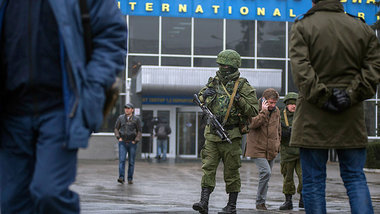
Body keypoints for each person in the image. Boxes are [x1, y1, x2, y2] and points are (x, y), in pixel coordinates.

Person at [0, 0, 126, 213]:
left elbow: (111, 36)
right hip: (11, 113)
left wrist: (93, 84)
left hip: (61, 110)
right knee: (11, 201)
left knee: (49, 191)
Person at [289, 0, 380, 213]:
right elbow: (374, 67)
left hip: (313, 114)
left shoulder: (303, 26)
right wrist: (349, 95)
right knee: (355, 177)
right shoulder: (360, 27)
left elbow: (301, 70)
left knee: (313, 182)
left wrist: (323, 96)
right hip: (350, 114)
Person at [192, 49, 259, 214]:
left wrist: (239, 100)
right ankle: (204, 202)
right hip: (212, 134)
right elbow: (200, 99)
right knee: (208, 168)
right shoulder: (213, 82)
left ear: (233, 66)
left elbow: (254, 110)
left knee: (232, 171)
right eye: (220, 64)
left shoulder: (243, 85)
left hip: (231, 135)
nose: (222, 68)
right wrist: (204, 96)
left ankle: (231, 206)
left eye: (225, 65)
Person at [245, 88, 281, 211]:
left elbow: (278, 129)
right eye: (271, 102)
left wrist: (278, 144)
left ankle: (262, 202)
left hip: (271, 148)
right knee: (266, 172)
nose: (273, 105)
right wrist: (264, 112)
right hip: (257, 148)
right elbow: (252, 124)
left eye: (275, 102)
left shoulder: (277, 111)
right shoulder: (254, 107)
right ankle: (260, 202)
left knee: (266, 176)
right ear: (264, 100)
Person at [279, 92, 303, 210]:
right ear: (287, 105)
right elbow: (275, 132)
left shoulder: (302, 116)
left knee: (303, 177)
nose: (293, 106)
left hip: (301, 153)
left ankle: (303, 199)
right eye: (291, 104)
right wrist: (283, 134)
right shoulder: (280, 116)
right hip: (287, 153)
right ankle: (288, 201)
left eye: (295, 104)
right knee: (288, 178)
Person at [114, 103, 142, 184]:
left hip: (132, 143)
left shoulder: (136, 119)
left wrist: (136, 140)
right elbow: (116, 128)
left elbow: (139, 131)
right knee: (122, 160)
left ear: (132, 110)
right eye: (125, 108)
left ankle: (130, 179)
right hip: (122, 142)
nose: (126, 109)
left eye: (128, 108)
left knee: (131, 162)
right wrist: (118, 137)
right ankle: (121, 177)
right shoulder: (120, 118)